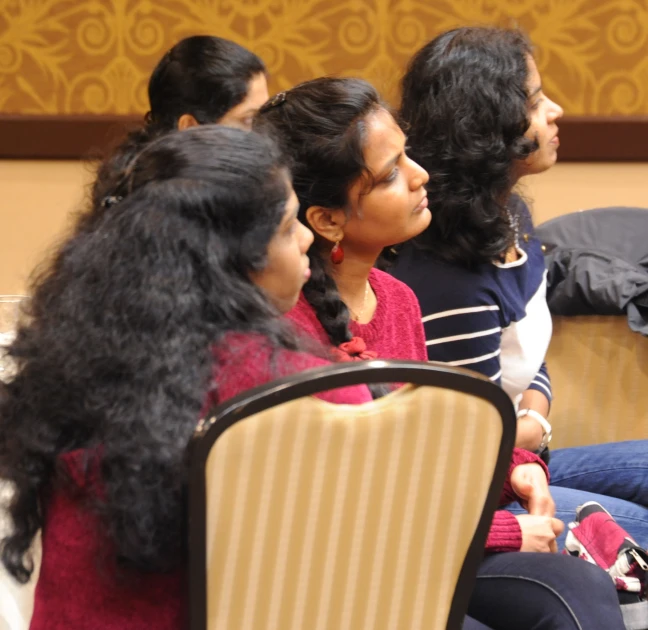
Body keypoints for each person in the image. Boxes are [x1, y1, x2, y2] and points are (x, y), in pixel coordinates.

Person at [255, 76, 626, 629]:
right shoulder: (288, 328)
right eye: (390, 174)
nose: (420, 175)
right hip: (349, 564)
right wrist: (507, 530)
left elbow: (434, 453)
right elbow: (354, 507)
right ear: (326, 220)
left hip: (428, 540)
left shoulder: (399, 300)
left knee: (586, 579)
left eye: (408, 154)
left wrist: (519, 471)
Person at [0, 125, 375, 628]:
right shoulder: (302, 390)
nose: (308, 238)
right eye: (287, 228)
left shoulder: (74, 362)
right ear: (228, 263)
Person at [392, 25, 648, 550]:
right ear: (488, 128)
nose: (555, 111)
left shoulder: (510, 215)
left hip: (521, 457)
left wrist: (533, 419)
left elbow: (526, 355)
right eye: (534, 101)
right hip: (476, 497)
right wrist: (525, 433)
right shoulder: (445, 274)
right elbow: (463, 443)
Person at [92, 35, 269, 207]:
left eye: (265, 114)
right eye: (248, 120)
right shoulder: (158, 210)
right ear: (190, 128)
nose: (265, 133)